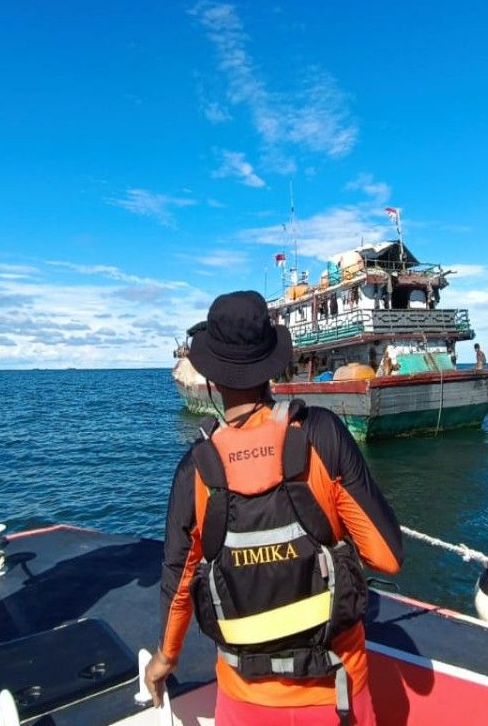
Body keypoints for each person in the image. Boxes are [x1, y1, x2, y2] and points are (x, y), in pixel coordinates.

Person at [144, 291, 402, 725]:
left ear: (210, 379)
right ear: (272, 365)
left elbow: (179, 582)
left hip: (245, 703)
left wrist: (164, 660)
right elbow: (387, 557)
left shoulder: (195, 469)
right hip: (338, 694)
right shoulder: (322, 434)